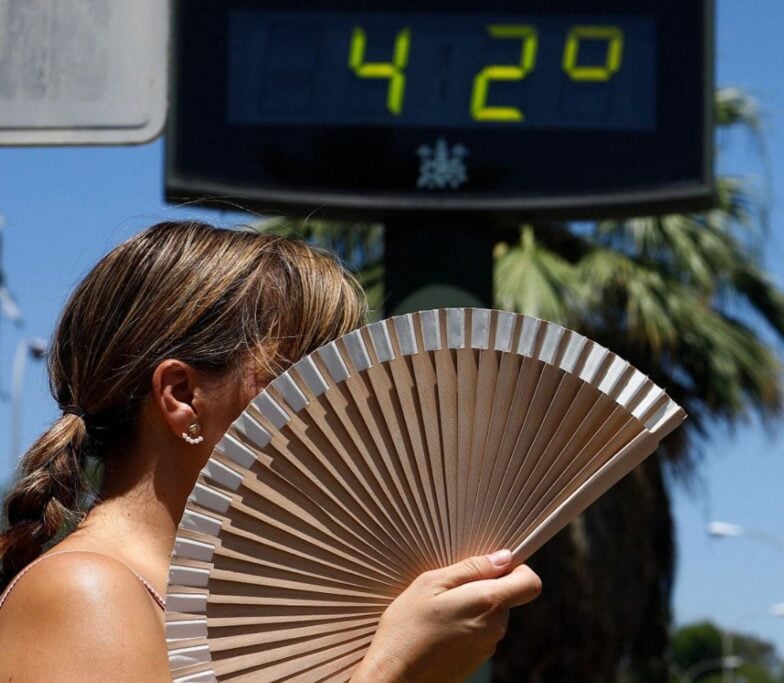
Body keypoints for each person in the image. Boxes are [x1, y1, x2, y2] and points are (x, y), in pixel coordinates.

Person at [0, 221, 541, 681]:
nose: (347, 412)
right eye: (307, 380)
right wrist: (395, 670)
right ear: (183, 398)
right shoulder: (86, 592)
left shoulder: (248, 607)